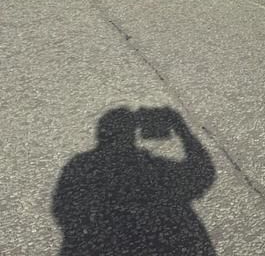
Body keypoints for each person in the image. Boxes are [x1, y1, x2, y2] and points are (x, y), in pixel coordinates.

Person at [52, 106, 216, 255]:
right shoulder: (153, 167)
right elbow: (202, 175)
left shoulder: (80, 163)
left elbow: (61, 207)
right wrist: (181, 129)